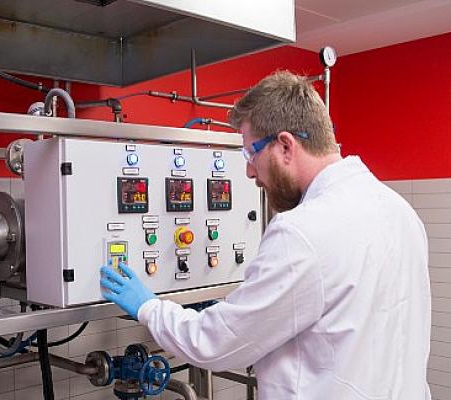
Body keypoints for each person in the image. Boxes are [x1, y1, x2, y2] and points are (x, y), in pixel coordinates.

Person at [100, 71, 432, 399]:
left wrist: (149, 308)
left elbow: (215, 343)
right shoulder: (399, 211)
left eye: (250, 153)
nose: (249, 171)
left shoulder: (300, 232)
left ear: (285, 145)